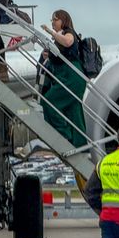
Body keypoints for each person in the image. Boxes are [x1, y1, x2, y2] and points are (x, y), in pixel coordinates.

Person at [40, 9, 87, 147]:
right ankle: (81, 145)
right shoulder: (60, 36)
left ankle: (63, 135)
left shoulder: (68, 32)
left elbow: (68, 42)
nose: (53, 22)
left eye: (55, 19)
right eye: (52, 20)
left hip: (71, 76)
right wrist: (50, 56)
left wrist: (50, 32)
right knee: (74, 112)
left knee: (49, 102)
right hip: (68, 76)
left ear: (63, 20)